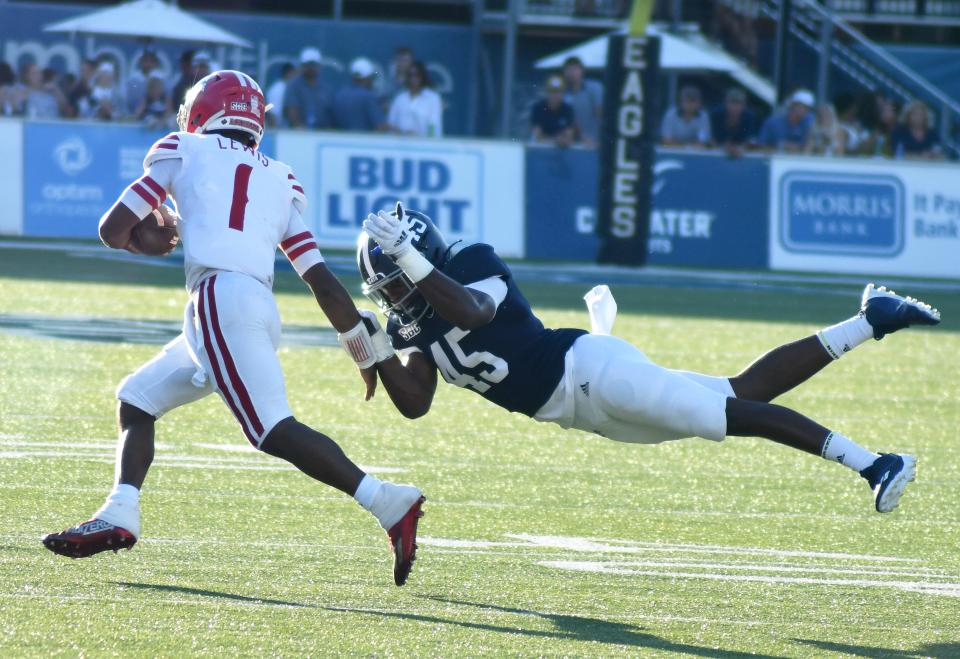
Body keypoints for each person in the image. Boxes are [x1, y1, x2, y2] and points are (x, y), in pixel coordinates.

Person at [41, 70, 425, 588]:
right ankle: (120, 512)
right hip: (255, 305)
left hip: (218, 299)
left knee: (272, 429)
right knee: (136, 398)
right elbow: (322, 282)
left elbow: (112, 229)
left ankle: (385, 500)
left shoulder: (182, 146)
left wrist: (147, 241)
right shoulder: (281, 177)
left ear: (202, 110)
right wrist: (364, 353)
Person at [356, 204, 941, 515]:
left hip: (593, 372)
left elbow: (474, 311)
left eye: (397, 279)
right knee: (738, 394)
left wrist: (411, 261)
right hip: (584, 413)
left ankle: (872, 463)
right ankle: (871, 319)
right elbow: (414, 402)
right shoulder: (407, 318)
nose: (393, 296)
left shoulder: (466, 263)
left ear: (420, 252)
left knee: (733, 417)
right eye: (385, 288)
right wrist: (368, 340)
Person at [387, 60, 442, 137]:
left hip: (424, 145)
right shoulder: (399, 99)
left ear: (422, 76)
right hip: (400, 146)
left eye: (417, 75)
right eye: (410, 75)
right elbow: (391, 125)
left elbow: (434, 126)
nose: (413, 78)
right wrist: (404, 133)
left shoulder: (432, 98)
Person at [283, 47, 334, 130]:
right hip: (298, 134)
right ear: (302, 66)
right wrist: (299, 127)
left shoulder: (326, 88)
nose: (310, 68)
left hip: (322, 134)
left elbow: (329, 115)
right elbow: (291, 110)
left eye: (313, 65)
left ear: (319, 66)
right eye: (307, 65)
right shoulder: (293, 86)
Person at [333, 57, 387, 132]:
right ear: (366, 78)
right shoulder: (368, 96)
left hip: (341, 141)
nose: (372, 81)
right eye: (371, 78)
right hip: (364, 142)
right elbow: (380, 127)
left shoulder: (339, 95)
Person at [561, 56, 603, 146]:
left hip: (596, 143)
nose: (571, 73)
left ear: (582, 70)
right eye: (568, 69)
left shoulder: (594, 88)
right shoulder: (561, 92)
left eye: (575, 69)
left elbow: (601, 114)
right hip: (572, 145)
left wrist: (602, 140)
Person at [529, 74, 575, 147]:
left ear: (563, 93)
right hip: (541, 149)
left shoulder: (567, 109)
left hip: (562, 150)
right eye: (552, 91)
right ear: (547, 92)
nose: (555, 95)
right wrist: (556, 140)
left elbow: (569, 136)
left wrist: (559, 140)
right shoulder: (538, 108)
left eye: (558, 92)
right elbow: (537, 136)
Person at [710, 87, 756, 156]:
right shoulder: (716, 115)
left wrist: (741, 147)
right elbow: (711, 139)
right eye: (732, 103)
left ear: (744, 105)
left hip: (740, 152)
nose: (734, 107)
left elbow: (750, 139)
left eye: (738, 103)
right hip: (717, 151)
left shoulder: (749, 117)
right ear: (725, 103)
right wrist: (725, 147)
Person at [126, 50, 160, 116]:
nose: (148, 64)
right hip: (135, 113)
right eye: (145, 61)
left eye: (151, 61)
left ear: (155, 63)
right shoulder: (133, 79)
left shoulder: (161, 78)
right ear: (141, 62)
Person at [266, 62, 296, 128]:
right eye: (294, 74)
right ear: (288, 73)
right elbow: (272, 114)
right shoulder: (277, 89)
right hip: (278, 130)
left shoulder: (294, 88)